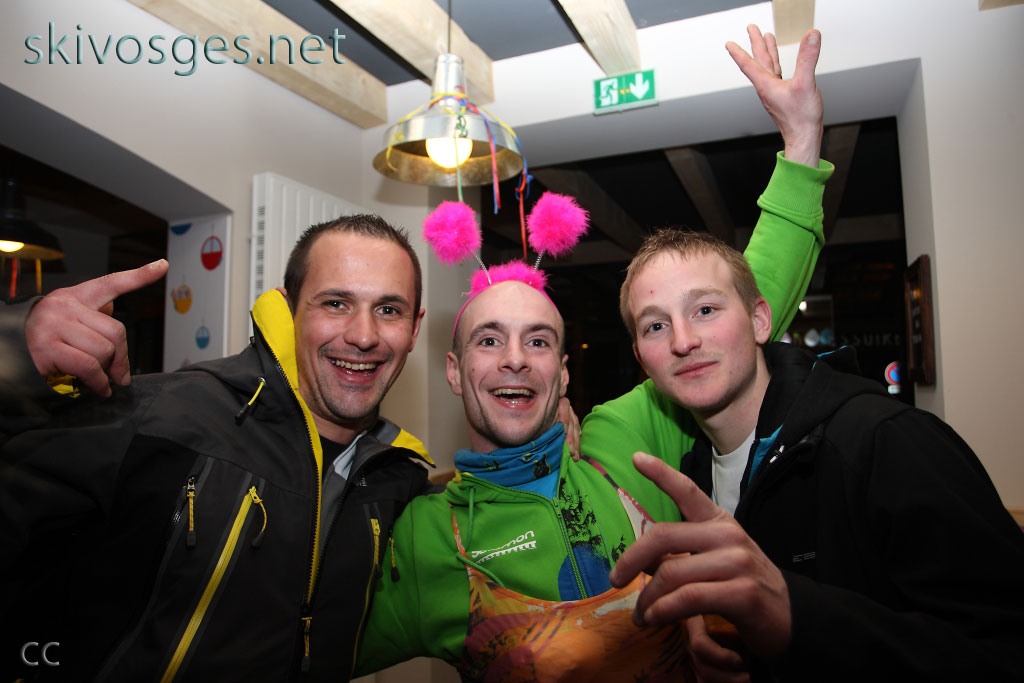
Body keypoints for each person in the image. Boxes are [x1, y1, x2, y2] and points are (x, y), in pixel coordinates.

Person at [354, 26, 834, 680]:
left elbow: (734, 313)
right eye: (489, 339)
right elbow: (289, 643)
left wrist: (801, 147)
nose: (516, 358)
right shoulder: (425, 533)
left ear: (563, 372)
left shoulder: (624, 439)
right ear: (455, 371)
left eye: (538, 340)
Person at [0, 215, 434, 681]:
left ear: (414, 328)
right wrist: (14, 356)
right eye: (335, 303)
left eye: (389, 309)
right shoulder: (157, 419)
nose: (364, 335)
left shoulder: (398, 478)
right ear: (290, 310)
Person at [604, 228, 1024, 682]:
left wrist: (796, 618)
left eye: (705, 310)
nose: (683, 340)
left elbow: (1005, 648)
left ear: (759, 320)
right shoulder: (694, 474)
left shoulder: (884, 440)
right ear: (642, 361)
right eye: (656, 326)